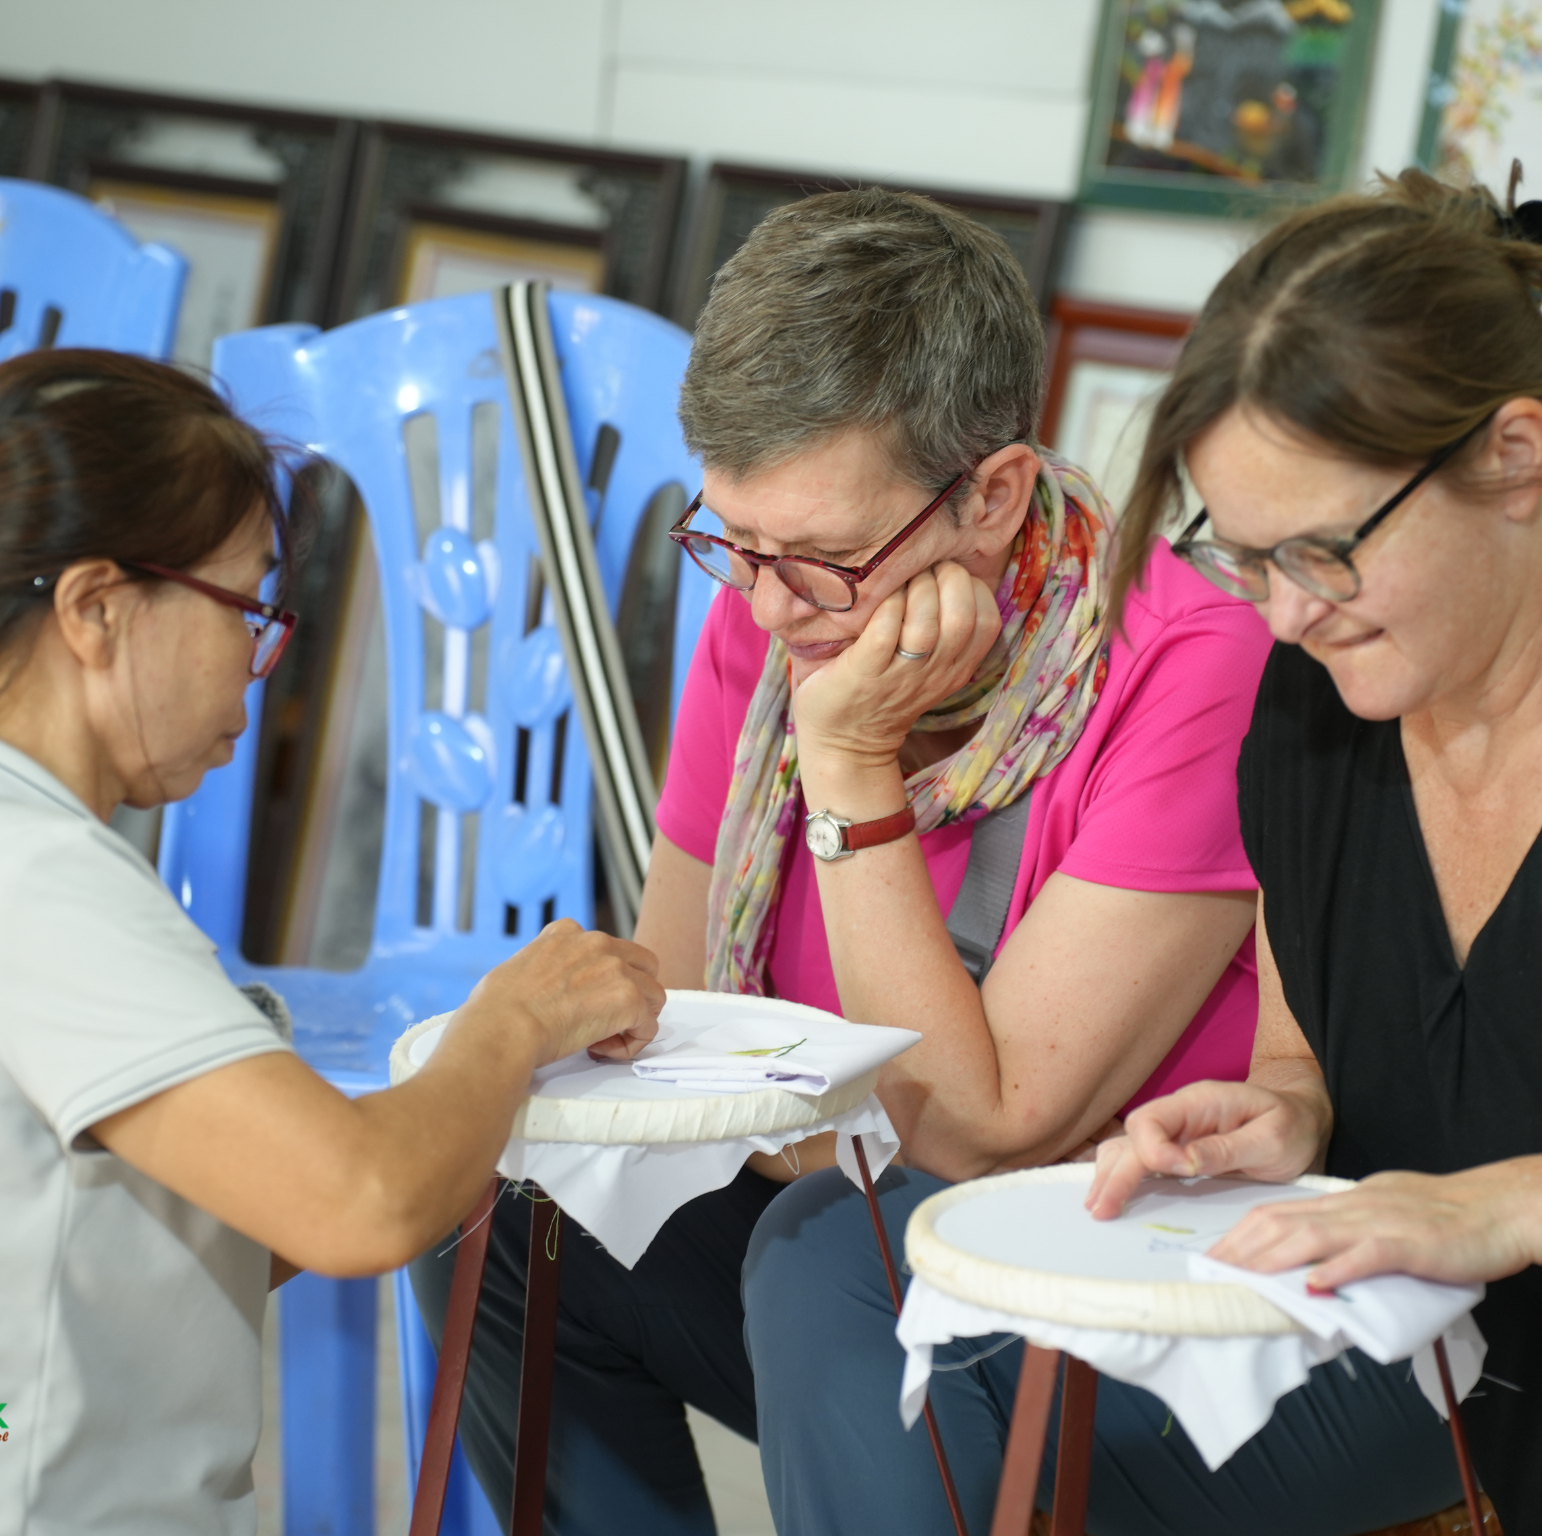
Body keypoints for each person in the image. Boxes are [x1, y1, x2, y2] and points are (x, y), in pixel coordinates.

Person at [412, 189, 1465, 1535]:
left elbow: (976, 1130)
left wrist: (852, 766)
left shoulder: (1194, 668)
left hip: (1132, 1286)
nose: (769, 604)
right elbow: (677, 1024)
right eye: (734, 541)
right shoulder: (776, 614)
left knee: (828, 1249)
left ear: (992, 495)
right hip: (855, 1245)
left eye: (823, 559)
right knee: (498, 1201)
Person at [0, 349, 663, 1536]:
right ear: (96, 609)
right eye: (245, 605)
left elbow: (197, 1223)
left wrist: (451, 1115)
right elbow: (361, 1205)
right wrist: (514, 1022)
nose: (258, 653)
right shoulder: (30, 885)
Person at [1085, 168, 1542, 1531]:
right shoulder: (1311, 718)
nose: (1284, 615)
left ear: (1514, 457)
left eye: (1321, 551)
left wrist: (1528, 1205)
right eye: (1243, 557)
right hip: (1469, 1435)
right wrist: (1288, 1115)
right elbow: (1306, 1053)